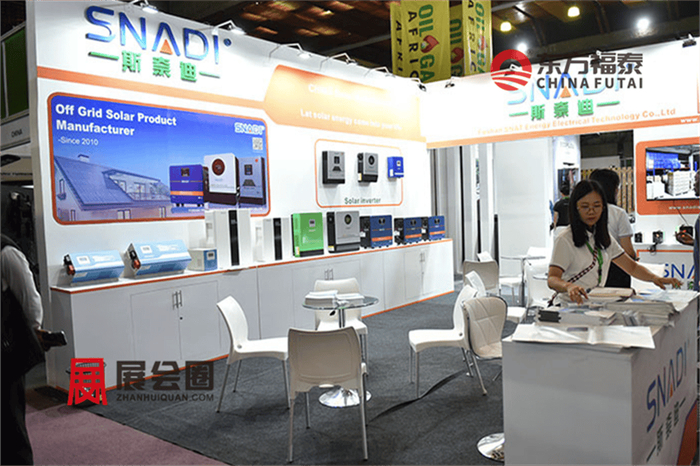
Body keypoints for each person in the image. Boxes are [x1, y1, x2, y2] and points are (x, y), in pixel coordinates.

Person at [547, 180, 680, 305]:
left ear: (603, 208)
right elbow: (552, 279)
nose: (591, 211)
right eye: (585, 206)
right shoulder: (565, 239)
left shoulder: (603, 237)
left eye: (597, 206)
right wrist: (568, 286)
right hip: (568, 305)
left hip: (594, 304)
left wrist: (655, 278)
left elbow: (632, 267)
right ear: (576, 208)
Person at [2, 234, 45, 465]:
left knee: (10, 423)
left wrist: (35, 330)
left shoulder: (6, 252)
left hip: (5, 355)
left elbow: (30, 299)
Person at [588, 169, 636, 288]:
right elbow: (628, 251)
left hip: (588, 270)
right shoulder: (618, 213)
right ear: (615, 190)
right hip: (616, 270)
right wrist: (634, 258)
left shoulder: (585, 213)